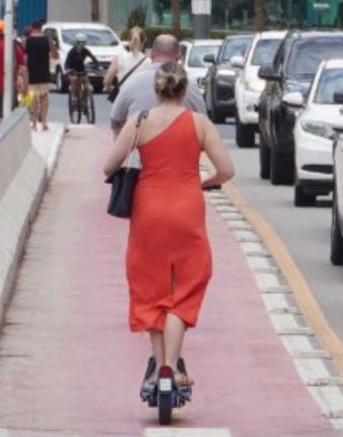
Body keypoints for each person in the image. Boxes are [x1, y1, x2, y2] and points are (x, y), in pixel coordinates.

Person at [103, 62, 234, 402]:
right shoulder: (200, 124)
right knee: (188, 284)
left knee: (151, 288)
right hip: (188, 208)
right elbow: (226, 170)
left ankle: (161, 365)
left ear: (157, 89)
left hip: (148, 211)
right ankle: (172, 368)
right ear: (184, 90)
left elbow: (108, 165)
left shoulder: (141, 121)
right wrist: (204, 182)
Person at [110, 35, 206, 139]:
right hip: (180, 151)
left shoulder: (133, 82)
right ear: (178, 57)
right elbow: (203, 123)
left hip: (139, 151)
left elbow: (115, 119)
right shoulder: (190, 85)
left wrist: (124, 146)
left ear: (151, 54)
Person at [25, 19, 58, 130]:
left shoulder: (27, 40)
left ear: (32, 28)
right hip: (44, 73)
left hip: (31, 74)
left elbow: (24, 58)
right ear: (41, 28)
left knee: (31, 98)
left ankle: (33, 123)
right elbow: (55, 56)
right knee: (44, 97)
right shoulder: (47, 40)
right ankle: (44, 121)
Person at [104, 26, 150, 93]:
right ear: (144, 42)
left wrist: (110, 89)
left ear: (128, 41)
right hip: (142, 99)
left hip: (124, 97)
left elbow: (107, 81)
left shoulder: (119, 58)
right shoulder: (149, 61)